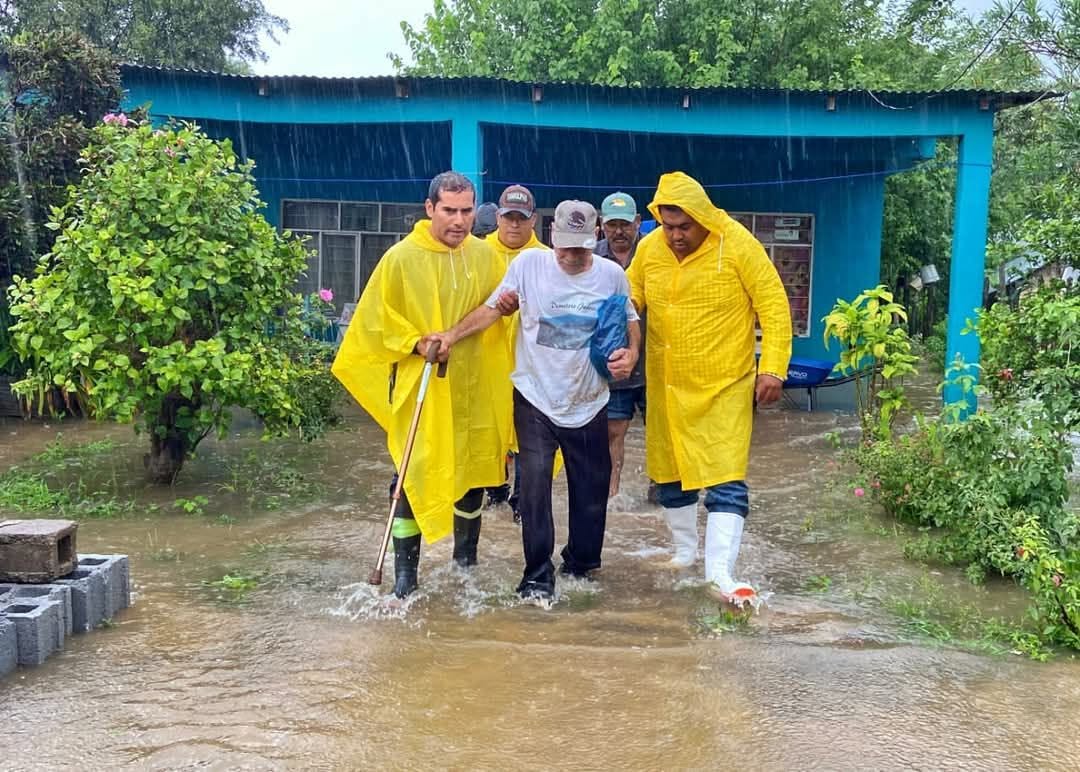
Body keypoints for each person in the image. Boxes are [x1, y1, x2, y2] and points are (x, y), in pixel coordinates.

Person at [427, 200, 641, 603]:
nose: (571, 256)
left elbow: (630, 320)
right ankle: (537, 576)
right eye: (564, 247)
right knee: (535, 488)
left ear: (594, 238)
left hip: (588, 400)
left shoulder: (611, 276)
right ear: (551, 237)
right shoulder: (528, 267)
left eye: (580, 248)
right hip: (534, 397)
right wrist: (451, 337)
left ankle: (579, 565)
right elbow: (491, 310)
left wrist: (631, 354)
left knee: (591, 493)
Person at [332, 171, 513, 599]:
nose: (459, 220)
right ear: (430, 208)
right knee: (414, 473)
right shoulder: (401, 258)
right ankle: (405, 579)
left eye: (467, 211)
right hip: (424, 384)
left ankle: (465, 566)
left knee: (472, 473)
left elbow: (500, 312)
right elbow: (374, 320)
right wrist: (414, 341)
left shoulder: (486, 258)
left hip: (474, 383)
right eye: (449, 210)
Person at [625, 172, 791, 603]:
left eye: (685, 227)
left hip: (725, 384)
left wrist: (772, 368)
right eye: (668, 226)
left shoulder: (737, 244)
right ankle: (683, 554)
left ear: (702, 217)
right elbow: (628, 300)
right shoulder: (648, 249)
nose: (676, 236)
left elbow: (773, 304)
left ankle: (720, 571)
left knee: (724, 477)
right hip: (666, 383)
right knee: (671, 474)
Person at [483, 184, 548, 514]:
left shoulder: (547, 261)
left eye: (521, 219)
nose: (514, 225)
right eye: (508, 217)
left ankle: (524, 502)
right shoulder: (477, 254)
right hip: (486, 362)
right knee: (487, 429)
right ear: (497, 217)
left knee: (529, 436)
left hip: (529, 364)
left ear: (533, 220)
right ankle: (493, 490)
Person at [595, 191, 646, 497]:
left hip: (657, 359)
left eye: (625, 224)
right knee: (613, 431)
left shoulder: (654, 253)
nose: (619, 231)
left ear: (637, 223)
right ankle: (612, 494)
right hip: (614, 363)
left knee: (663, 434)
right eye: (612, 224)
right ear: (601, 225)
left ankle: (663, 490)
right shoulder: (591, 258)